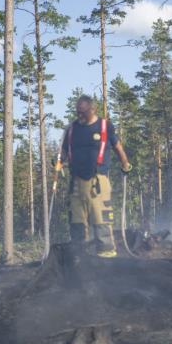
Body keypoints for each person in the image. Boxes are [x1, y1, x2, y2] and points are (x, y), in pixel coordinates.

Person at [60, 95, 132, 257]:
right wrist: (58, 161)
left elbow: (118, 147)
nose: (80, 115)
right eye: (78, 112)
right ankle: (79, 253)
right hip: (76, 180)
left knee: (101, 216)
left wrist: (125, 164)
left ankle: (106, 252)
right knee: (76, 218)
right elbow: (64, 150)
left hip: (98, 180)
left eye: (83, 112)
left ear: (93, 109)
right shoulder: (72, 129)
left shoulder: (105, 126)